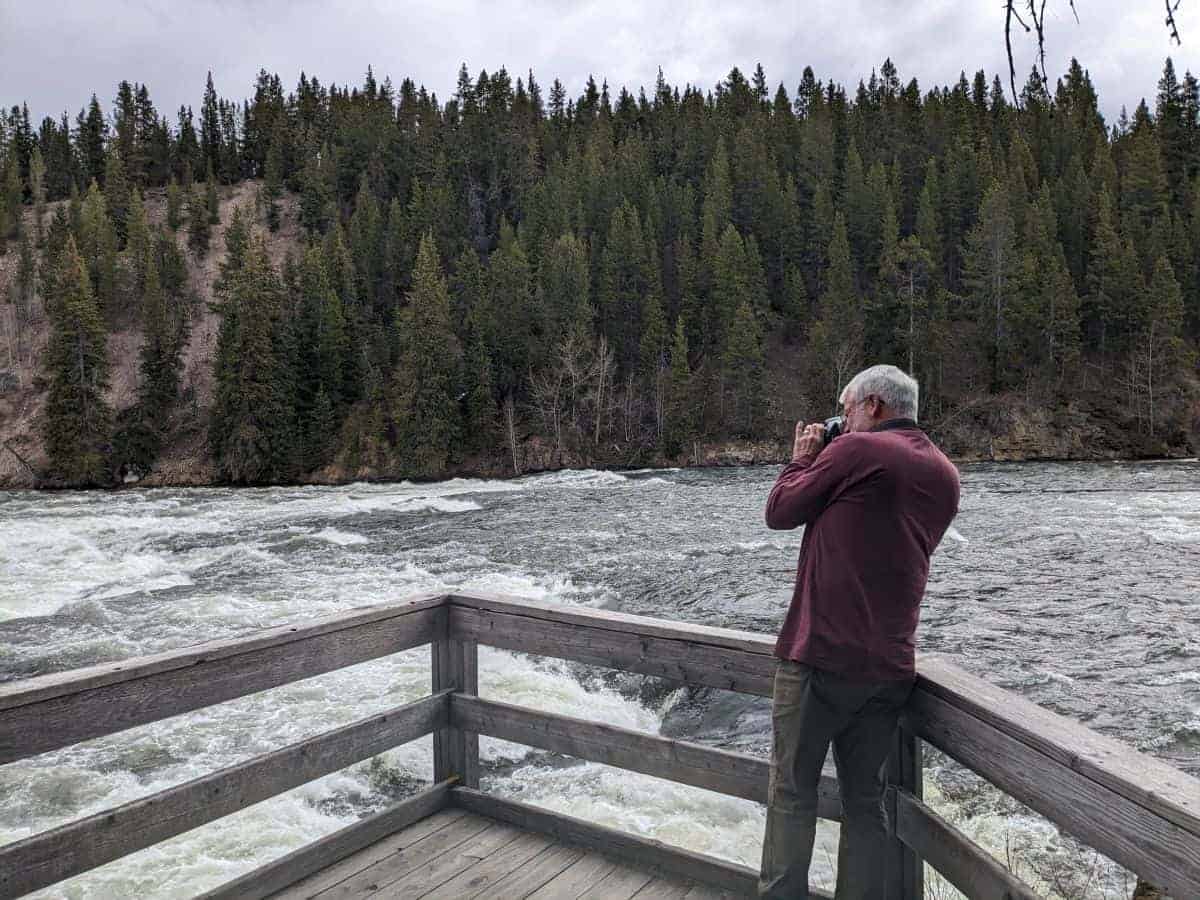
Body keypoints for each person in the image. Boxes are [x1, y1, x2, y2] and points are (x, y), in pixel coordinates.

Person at [758, 364, 960, 900]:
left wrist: (805, 455)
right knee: (866, 804)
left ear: (872, 405)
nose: (840, 421)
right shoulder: (944, 472)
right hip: (889, 669)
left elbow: (779, 511)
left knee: (791, 796)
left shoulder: (857, 452)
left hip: (819, 657)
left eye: (845, 410)